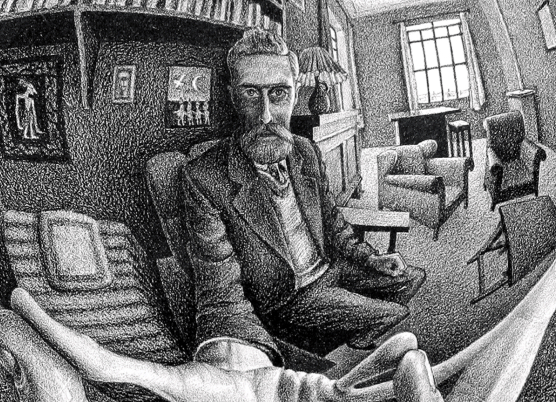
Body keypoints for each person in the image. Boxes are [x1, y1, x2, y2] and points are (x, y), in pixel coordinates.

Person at [182, 29, 426, 365]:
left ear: (295, 94)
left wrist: (371, 260)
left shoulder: (305, 152)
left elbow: (334, 225)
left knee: (413, 277)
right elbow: (220, 294)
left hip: (330, 270)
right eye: (251, 93)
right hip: (289, 297)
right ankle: (348, 332)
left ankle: (349, 325)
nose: (266, 115)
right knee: (395, 314)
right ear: (232, 97)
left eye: (279, 93)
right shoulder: (204, 177)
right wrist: (250, 355)